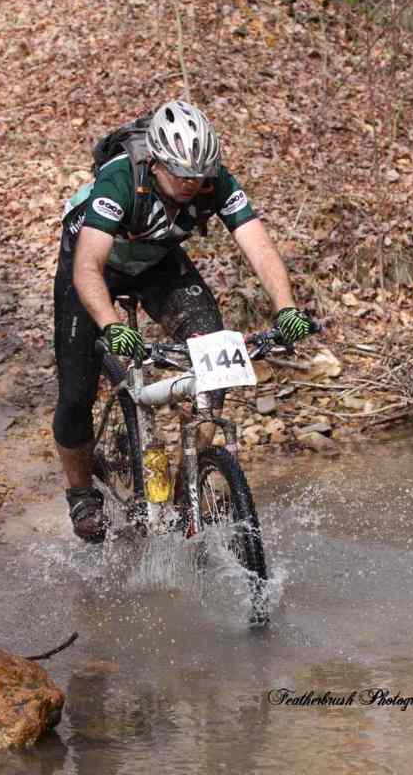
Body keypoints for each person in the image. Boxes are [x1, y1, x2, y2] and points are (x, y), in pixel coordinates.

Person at [54, 99, 313, 543]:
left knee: (216, 351)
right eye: (183, 175)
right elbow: (88, 267)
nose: (195, 184)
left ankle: (188, 484)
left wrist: (286, 306)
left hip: (157, 263)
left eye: (202, 175)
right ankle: (81, 493)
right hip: (93, 265)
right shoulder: (121, 179)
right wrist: (110, 321)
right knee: (77, 392)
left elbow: (258, 244)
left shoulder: (213, 181)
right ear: (155, 163)